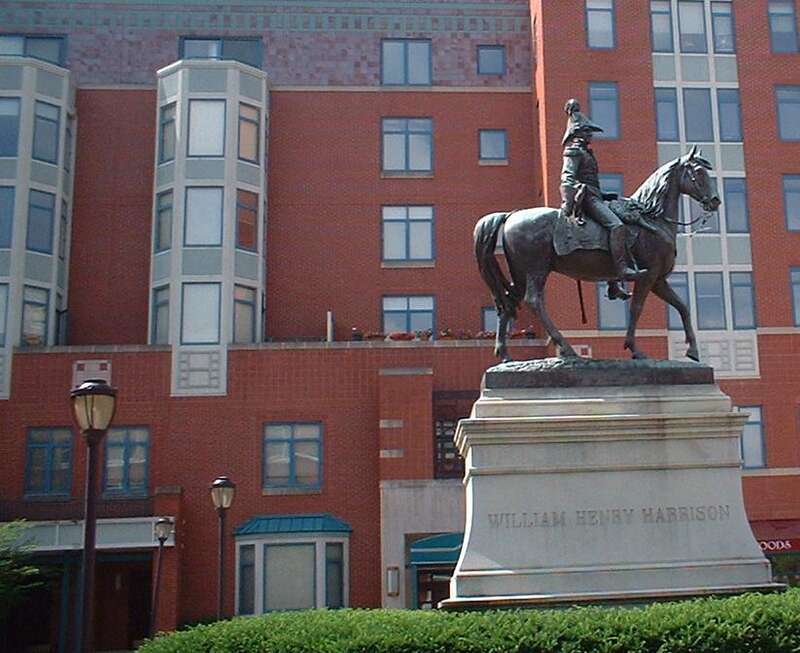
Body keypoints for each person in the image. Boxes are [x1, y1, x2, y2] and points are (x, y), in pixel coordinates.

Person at [559, 99, 646, 300]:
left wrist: (606, 196)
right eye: (587, 131)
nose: (590, 135)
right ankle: (622, 270)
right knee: (617, 227)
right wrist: (572, 198)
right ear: (578, 132)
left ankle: (613, 285)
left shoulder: (587, 153)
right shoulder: (574, 152)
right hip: (586, 198)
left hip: (594, 196)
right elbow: (567, 178)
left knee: (621, 222)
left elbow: (590, 180)